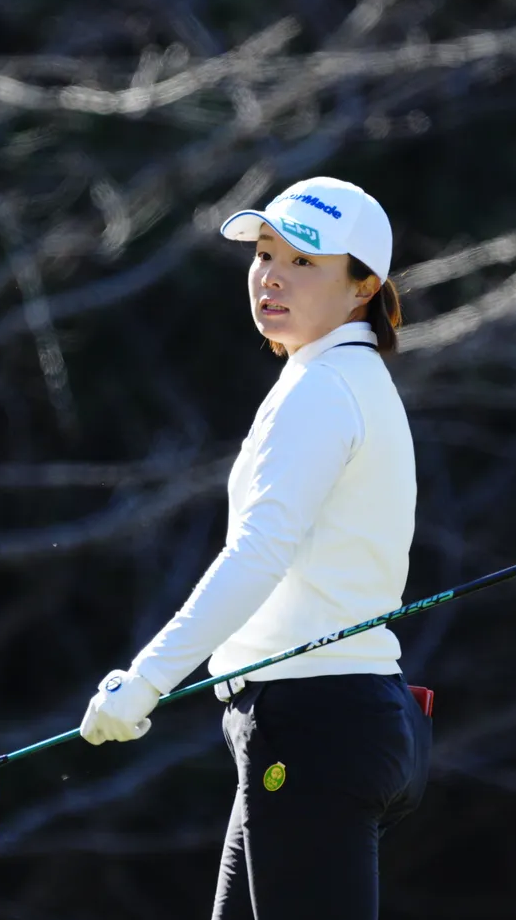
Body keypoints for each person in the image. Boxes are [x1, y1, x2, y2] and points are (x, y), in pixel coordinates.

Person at [79, 177, 430, 920]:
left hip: (315, 723)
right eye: (265, 253)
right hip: (325, 721)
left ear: (363, 287)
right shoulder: (341, 376)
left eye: (303, 262)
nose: (271, 275)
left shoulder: (324, 389)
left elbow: (256, 557)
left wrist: (147, 680)